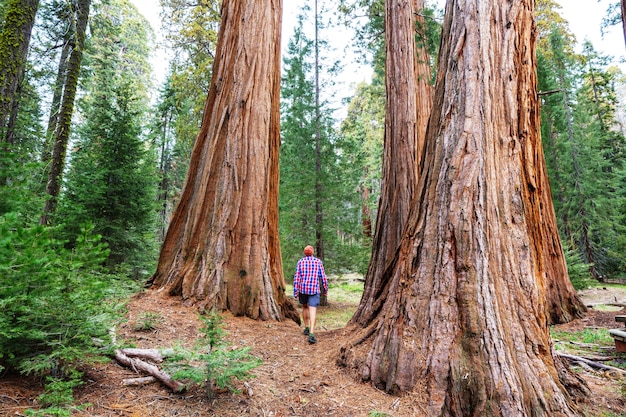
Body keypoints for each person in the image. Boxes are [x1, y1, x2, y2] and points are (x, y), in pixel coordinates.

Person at [293, 245, 328, 344]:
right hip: (314, 290)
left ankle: (306, 327)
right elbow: (323, 277)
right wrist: (325, 289)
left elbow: (297, 277)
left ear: (305, 253)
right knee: (313, 310)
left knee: (304, 307)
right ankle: (311, 334)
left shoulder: (300, 262)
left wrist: (296, 291)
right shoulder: (318, 262)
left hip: (303, 290)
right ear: (312, 252)